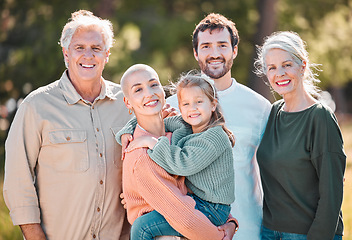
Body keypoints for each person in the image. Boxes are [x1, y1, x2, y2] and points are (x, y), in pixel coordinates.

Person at [3, 10, 133, 240]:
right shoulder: (37, 105)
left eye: (96, 48)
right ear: (66, 53)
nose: (88, 55)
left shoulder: (127, 104)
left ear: (107, 55)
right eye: (79, 47)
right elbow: (17, 179)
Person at [165, 13, 272, 240]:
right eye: (206, 46)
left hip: (249, 229)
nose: (214, 53)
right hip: (191, 230)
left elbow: (277, 169)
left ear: (234, 50)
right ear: (196, 53)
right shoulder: (172, 106)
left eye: (222, 45)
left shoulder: (260, 107)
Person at [117, 64, 237, 240]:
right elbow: (183, 214)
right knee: (142, 227)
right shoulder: (142, 156)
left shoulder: (183, 131)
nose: (149, 93)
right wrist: (219, 235)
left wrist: (231, 223)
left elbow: (183, 167)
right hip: (189, 226)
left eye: (153, 85)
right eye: (138, 90)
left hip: (206, 213)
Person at [254, 31, 346, 240]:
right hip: (269, 232)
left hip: (307, 234)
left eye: (287, 65)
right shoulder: (273, 112)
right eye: (272, 68)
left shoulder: (320, 117)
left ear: (302, 66)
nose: (280, 73)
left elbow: (332, 193)